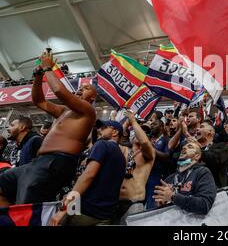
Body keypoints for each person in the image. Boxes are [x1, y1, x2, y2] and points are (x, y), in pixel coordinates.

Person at [0, 51, 97, 206]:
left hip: (57, 162)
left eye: (86, 88)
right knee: (2, 184)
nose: (80, 89)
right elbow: (39, 100)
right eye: (80, 88)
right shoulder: (64, 111)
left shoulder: (88, 111)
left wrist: (47, 69)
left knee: (26, 206)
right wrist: (38, 75)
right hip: (38, 162)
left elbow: (58, 91)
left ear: (93, 98)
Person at [50, 120, 126, 226]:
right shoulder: (121, 156)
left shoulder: (102, 144)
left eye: (104, 127)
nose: (99, 130)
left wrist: (65, 207)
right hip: (106, 216)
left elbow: (88, 175)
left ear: (115, 132)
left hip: (84, 212)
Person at [153, 141, 216, 216]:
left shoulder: (202, 172)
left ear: (197, 156)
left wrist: (173, 197)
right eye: (183, 147)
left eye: (190, 147)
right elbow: (157, 211)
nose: (184, 147)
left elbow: (204, 205)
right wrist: (161, 203)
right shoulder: (169, 179)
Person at [116, 111, 156, 224]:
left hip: (134, 203)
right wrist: (125, 124)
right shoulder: (124, 150)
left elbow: (144, 142)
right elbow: (112, 140)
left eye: (146, 132)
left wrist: (133, 121)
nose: (142, 133)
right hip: (115, 201)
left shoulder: (150, 154)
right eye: (140, 130)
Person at [193, 122, 228, 188]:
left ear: (210, 133)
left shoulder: (221, 146)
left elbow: (215, 159)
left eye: (202, 127)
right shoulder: (192, 149)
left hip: (214, 189)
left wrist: (198, 149)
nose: (197, 129)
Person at [144, 118, 170, 210]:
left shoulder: (166, 139)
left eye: (154, 124)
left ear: (162, 127)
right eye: (151, 124)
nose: (151, 126)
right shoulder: (147, 138)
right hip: (144, 173)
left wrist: (151, 149)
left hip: (156, 174)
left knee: (151, 203)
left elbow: (167, 156)